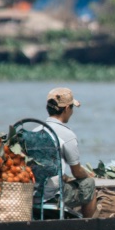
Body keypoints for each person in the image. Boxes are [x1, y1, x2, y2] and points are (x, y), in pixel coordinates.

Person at [43, 87, 98, 218]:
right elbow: (77, 171)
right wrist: (88, 175)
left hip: (34, 191)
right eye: (72, 108)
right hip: (53, 194)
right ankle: (87, 226)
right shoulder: (67, 135)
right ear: (67, 108)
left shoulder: (36, 130)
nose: (72, 112)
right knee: (89, 184)